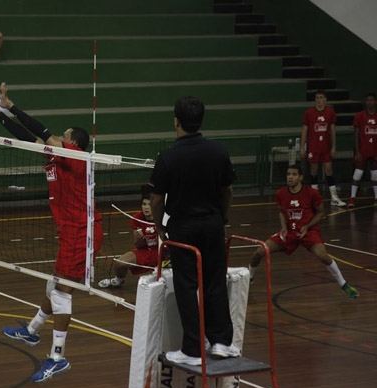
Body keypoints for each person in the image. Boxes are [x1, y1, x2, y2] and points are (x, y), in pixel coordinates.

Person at [0, 83, 104, 383]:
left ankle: (58, 357)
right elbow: (29, 137)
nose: (55, 139)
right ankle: (32, 331)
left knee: (62, 292)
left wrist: (10, 107)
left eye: (62, 136)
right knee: (56, 287)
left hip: (82, 231)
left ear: (72, 142)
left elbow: (41, 130)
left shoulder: (74, 155)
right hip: (71, 231)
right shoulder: (54, 156)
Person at [149, 96, 239, 366]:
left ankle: (192, 349)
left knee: (187, 286)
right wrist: (221, 218)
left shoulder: (167, 157)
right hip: (212, 224)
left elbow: (156, 199)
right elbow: (228, 190)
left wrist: (159, 226)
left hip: (183, 228)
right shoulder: (218, 151)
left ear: (176, 121)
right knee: (214, 281)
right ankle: (222, 341)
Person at [248, 164, 359, 298]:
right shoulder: (281, 193)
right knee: (260, 251)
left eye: (294, 174)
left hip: (308, 231)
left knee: (323, 256)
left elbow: (321, 212)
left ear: (300, 177)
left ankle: (343, 284)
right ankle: (249, 278)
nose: (290, 177)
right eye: (288, 174)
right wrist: (283, 227)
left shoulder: (311, 193)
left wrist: (307, 226)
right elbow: (281, 212)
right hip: (289, 232)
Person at [98, 186, 168, 288]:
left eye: (149, 204)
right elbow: (138, 246)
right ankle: (118, 281)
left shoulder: (163, 217)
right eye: (144, 204)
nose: (146, 207)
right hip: (146, 251)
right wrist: (140, 239)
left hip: (164, 252)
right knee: (119, 263)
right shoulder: (137, 218)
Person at [300, 90, 346, 206]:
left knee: (329, 170)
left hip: (326, 147)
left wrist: (334, 147)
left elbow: (332, 130)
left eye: (321, 97)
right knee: (314, 171)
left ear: (325, 99)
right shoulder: (309, 113)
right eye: (317, 98)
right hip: (313, 147)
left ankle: (334, 198)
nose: (319, 100)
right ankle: (315, 199)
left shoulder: (330, 112)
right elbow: (305, 130)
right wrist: (302, 147)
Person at [348, 92, 377, 207]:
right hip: (363, 151)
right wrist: (358, 151)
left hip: (375, 151)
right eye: (368, 100)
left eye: (372, 100)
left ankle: (376, 198)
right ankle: (352, 198)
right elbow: (356, 134)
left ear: (375, 102)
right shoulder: (359, 116)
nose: (369, 102)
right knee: (357, 174)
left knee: (375, 175)